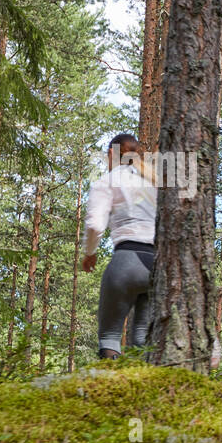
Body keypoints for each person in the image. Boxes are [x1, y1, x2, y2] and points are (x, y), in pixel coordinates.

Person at [81, 133, 158, 359]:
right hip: (155, 265)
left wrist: (90, 253)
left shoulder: (107, 181)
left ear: (111, 155)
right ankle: (143, 389)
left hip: (126, 260)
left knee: (110, 334)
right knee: (143, 336)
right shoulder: (154, 181)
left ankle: (108, 390)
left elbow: (95, 224)